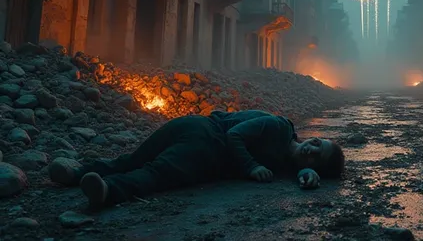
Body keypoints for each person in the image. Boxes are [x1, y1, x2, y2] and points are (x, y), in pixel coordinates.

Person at [48, 110, 345, 209]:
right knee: (156, 173)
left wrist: (306, 177)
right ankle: (109, 192)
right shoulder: (279, 127)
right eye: (318, 143)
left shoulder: (284, 163)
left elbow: (291, 168)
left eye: (318, 157)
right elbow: (235, 136)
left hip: (192, 127)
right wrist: (251, 166)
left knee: (133, 159)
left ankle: (78, 175)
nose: (313, 149)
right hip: (206, 141)